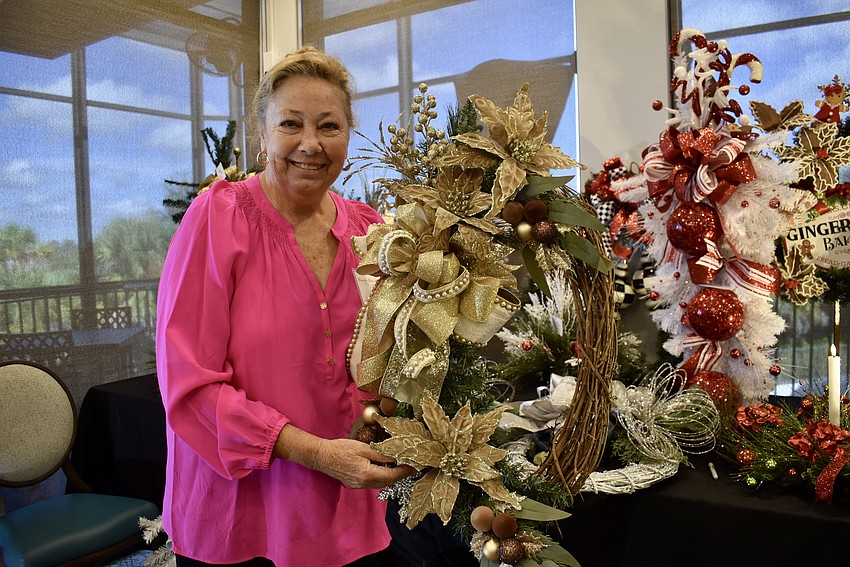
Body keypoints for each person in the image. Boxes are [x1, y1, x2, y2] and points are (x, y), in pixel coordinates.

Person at [155, 46, 413, 567]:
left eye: (329, 126)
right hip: (238, 514)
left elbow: (387, 355)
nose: (311, 145)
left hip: (343, 509)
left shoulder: (371, 230)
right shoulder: (217, 219)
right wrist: (317, 453)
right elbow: (188, 385)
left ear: (348, 134)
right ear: (262, 134)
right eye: (291, 124)